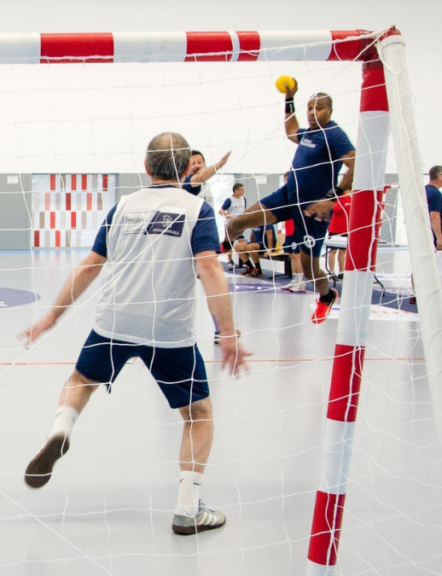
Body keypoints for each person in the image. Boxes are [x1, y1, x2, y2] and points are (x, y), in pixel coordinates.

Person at [21, 132, 251, 536]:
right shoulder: (197, 209)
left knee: (81, 381)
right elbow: (210, 269)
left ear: (146, 168)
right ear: (188, 169)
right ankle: (187, 508)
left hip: (115, 322)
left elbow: (89, 267)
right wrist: (227, 333)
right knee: (197, 415)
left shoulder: (122, 207)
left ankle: (62, 428)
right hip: (170, 330)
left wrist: (51, 318)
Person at [226, 85, 355, 323]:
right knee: (238, 222)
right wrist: (289, 98)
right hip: (288, 196)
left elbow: (355, 163)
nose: (313, 112)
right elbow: (291, 130)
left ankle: (326, 296)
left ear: (330, 111)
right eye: (310, 107)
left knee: (309, 271)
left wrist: (331, 198)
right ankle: (223, 246)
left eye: (319, 107)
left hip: (312, 211)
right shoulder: (308, 134)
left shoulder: (334, 134)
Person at [410, 166, 442, 304]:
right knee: (434, 265)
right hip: (431, 236)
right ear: (440, 176)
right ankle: (433, 294)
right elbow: (434, 217)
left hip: (419, 233)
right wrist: (439, 237)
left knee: (418, 263)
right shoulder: (435, 194)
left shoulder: (422, 191)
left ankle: (415, 293)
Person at [219, 183, 248, 267]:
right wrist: (231, 218)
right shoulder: (229, 200)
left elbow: (245, 210)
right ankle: (230, 261)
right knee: (229, 243)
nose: (243, 191)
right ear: (236, 191)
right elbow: (221, 211)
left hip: (240, 225)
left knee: (242, 242)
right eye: (242, 189)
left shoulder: (244, 199)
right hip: (230, 225)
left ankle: (243, 261)